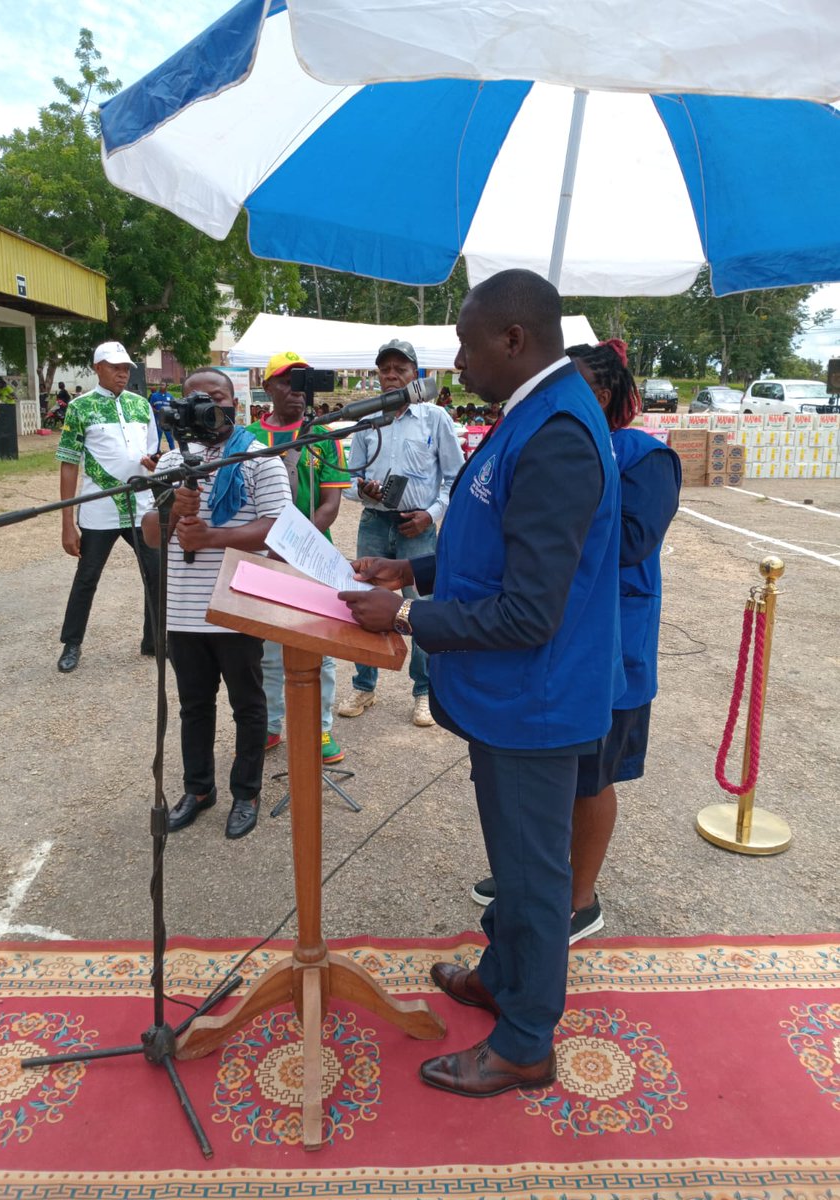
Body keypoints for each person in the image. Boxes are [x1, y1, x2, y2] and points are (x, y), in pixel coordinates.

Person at [339, 270, 623, 1097]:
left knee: (534, 879)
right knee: (513, 858)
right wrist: (415, 570)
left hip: (536, 699)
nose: (454, 362)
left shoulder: (560, 432)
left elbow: (531, 611)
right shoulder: (531, 413)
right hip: (511, 697)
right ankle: (504, 976)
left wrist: (401, 618)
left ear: (512, 339)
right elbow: (494, 544)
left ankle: (527, 1040)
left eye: (465, 343)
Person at [470, 339, 682, 942]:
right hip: (551, 644)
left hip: (613, 650)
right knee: (545, 774)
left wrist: (557, 506)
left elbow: (630, 541)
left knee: (591, 777)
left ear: (607, 394)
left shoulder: (643, 457)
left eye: (577, 386)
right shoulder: (542, 440)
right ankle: (537, 876)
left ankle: (579, 898)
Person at [142, 367, 292, 839]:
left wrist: (211, 537)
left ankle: (245, 793)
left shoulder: (258, 456)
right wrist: (171, 515)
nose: (205, 403)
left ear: (234, 402)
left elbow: (275, 526)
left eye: (215, 395)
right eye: (194, 396)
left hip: (236, 602)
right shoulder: (172, 462)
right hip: (184, 608)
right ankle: (198, 789)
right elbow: (150, 534)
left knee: (248, 705)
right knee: (193, 706)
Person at [339, 339, 464, 727]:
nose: (391, 375)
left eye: (400, 368)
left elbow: (454, 478)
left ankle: (424, 692)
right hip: (375, 522)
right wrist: (361, 489)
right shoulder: (366, 421)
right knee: (363, 601)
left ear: (416, 374)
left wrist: (430, 515)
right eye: (384, 369)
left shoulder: (435, 419)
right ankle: (364, 685)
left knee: (421, 608)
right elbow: (350, 477)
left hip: (417, 527)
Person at [249, 351, 349, 764]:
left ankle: (320, 728)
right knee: (270, 648)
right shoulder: (250, 439)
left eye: (304, 382)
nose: (296, 391)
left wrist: (300, 543)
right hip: (266, 555)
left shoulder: (325, 436)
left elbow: (331, 504)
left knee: (319, 646)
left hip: (313, 557)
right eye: (287, 381)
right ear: (269, 386)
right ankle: (273, 724)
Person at [55, 341, 160, 673]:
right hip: (100, 511)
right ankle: (72, 644)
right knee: (87, 576)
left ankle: (154, 640)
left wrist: (153, 462)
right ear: (97, 367)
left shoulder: (142, 405)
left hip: (141, 506)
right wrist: (67, 522)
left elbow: (155, 453)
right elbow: (69, 464)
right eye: (115, 367)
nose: (123, 373)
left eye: (127, 367)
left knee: (157, 574)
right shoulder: (80, 408)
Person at [149, 382, 176, 450]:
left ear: (166, 386)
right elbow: (150, 406)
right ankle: (157, 452)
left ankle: (173, 451)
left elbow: (174, 407)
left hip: (167, 421)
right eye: (160, 385)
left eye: (163, 385)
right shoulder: (154, 396)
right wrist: (156, 411)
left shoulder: (170, 396)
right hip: (158, 420)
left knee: (170, 437)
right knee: (157, 437)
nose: (161, 386)